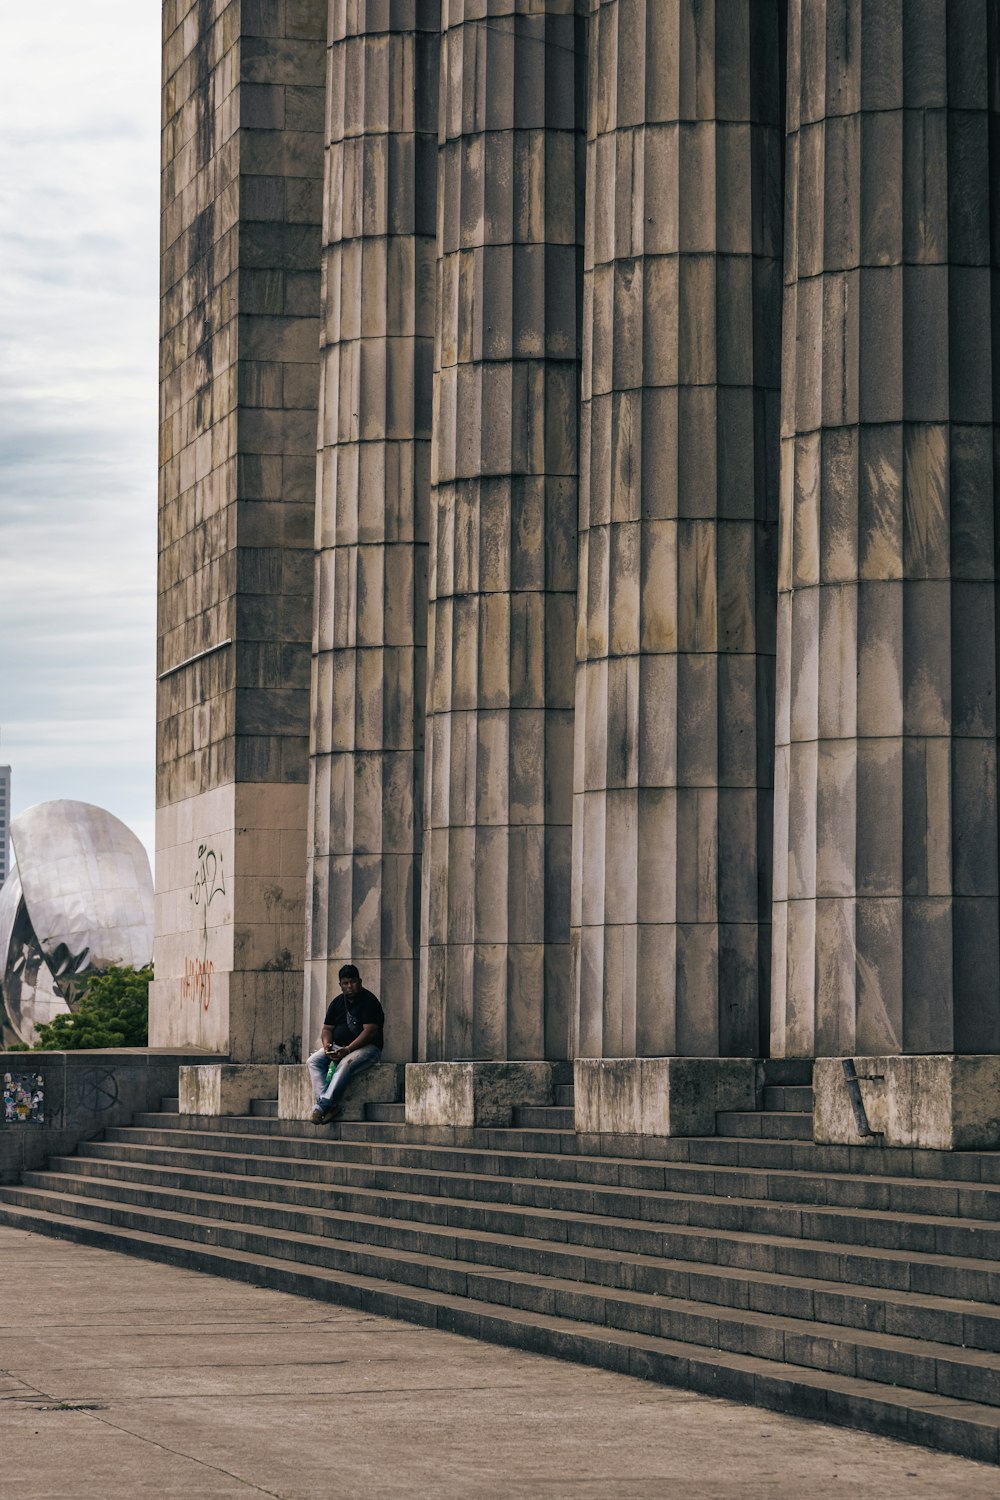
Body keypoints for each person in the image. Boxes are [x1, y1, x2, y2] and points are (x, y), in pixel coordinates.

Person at [306, 964, 384, 1124]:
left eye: (353, 982)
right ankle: (330, 1105)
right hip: (339, 1047)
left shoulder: (369, 1001)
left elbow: (370, 1031)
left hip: (368, 1049)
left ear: (360, 981)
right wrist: (327, 1045)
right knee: (312, 1061)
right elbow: (327, 1028)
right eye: (346, 983)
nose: (350, 986)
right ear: (340, 985)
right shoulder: (337, 1003)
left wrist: (347, 1049)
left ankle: (321, 1105)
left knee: (345, 1063)